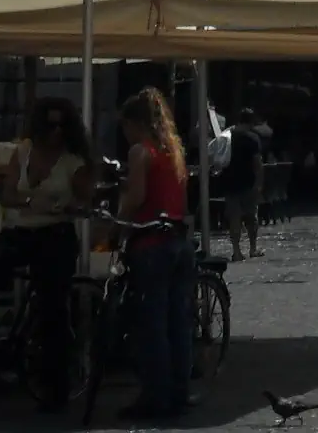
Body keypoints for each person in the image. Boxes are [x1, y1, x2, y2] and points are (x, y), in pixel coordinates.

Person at [0, 97, 89, 382]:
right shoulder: (23, 152)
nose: (56, 131)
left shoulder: (72, 161)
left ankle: (55, 382)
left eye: (61, 125)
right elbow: (7, 195)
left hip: (55, 234)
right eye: (50, 125)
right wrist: (31, 199)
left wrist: (67, 207)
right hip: (22, 231)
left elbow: (86, 200)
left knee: (53, 309)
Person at [117, 87, 195, 420]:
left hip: (150, 243)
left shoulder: (140, 151)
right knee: (177, 323)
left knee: (152, 325)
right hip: (177, 239)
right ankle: (179, 391)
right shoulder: (172, 150)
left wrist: (117, 222)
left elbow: (136, 197)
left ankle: (155, 396)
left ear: (135, 123)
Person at [217, 106, 266, 261]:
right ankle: (252, 248)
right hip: (248, 183)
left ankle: (236, 251)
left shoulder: (226, 137)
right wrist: (259, 183)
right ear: (251, 122)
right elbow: (257, 162)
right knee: (251, 217)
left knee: (234, 218)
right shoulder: (252, 138)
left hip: (229, 182)